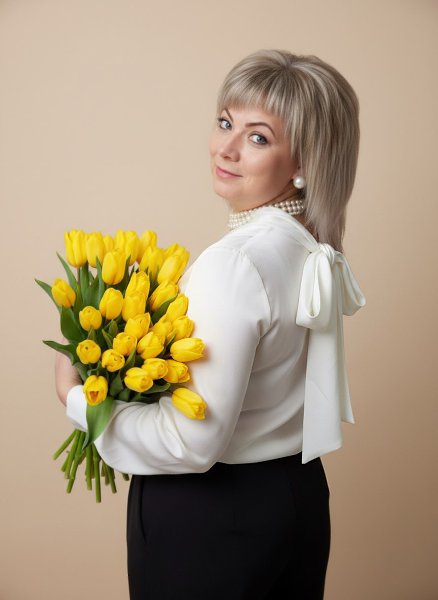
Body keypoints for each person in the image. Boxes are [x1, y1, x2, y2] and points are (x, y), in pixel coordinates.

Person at [55, 49, 366, 599]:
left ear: (303, 162)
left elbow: (189, 442)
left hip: (211, 519)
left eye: (258, 137)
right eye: (226, 122)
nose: (226, 148)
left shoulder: (237, 262)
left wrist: (78, 399)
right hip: (295, 501)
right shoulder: (308, 248)